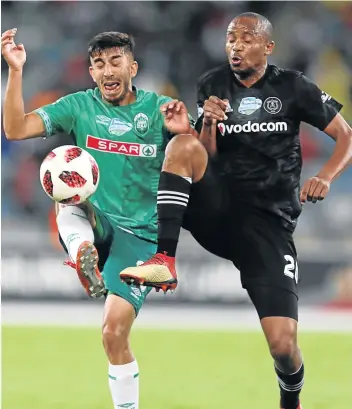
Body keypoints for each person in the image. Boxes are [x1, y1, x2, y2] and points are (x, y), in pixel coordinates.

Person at [119, 12, 352, 409]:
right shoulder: (212, 84)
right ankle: (159, 257)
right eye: (230, 39)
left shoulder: (294, 87)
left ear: (268, 47)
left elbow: (345, 136)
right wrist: (205, 124)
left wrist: (326, 176)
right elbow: (205, 154)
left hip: (268, 223)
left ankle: (290, 398)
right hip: (220, 205)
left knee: (283, 344)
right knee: (179, 146)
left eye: (246, 39)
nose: (235, 46)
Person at [2, 29, 195, 409]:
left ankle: (82, 251)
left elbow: (198, 159)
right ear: (91, 72)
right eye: (99, 64)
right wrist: (15, 70)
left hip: (141, 237)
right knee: (67, 189)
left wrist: (185, 132)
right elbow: (15, 128)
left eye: (115, 61)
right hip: (96, 220)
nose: (107, 70)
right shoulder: (79, 106)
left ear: (132, 67)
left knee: (112, 333)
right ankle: (82, 250)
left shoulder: (161, 109)